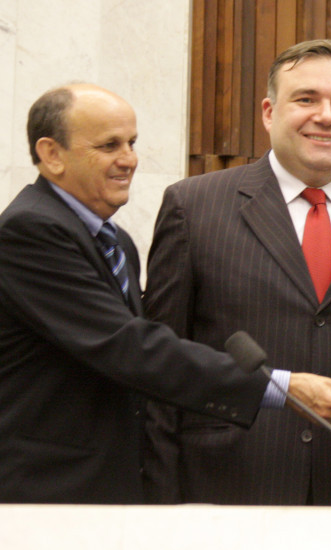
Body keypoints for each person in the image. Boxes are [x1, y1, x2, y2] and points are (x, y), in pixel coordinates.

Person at [143, 39, 331, 505]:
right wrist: (159, 507)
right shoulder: (194, 208)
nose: (326, 116)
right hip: (222, 495)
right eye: (306, 99)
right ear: (268, 112)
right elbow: (158, 367)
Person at [0, 83, 299, 503]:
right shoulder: (30, 231)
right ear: (51, 154)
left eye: (132, 142)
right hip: (48, 496)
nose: (129, 160)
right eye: (109, 146)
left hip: (111, 490)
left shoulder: (115, 241)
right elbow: (129, 347)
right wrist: (275, 387)